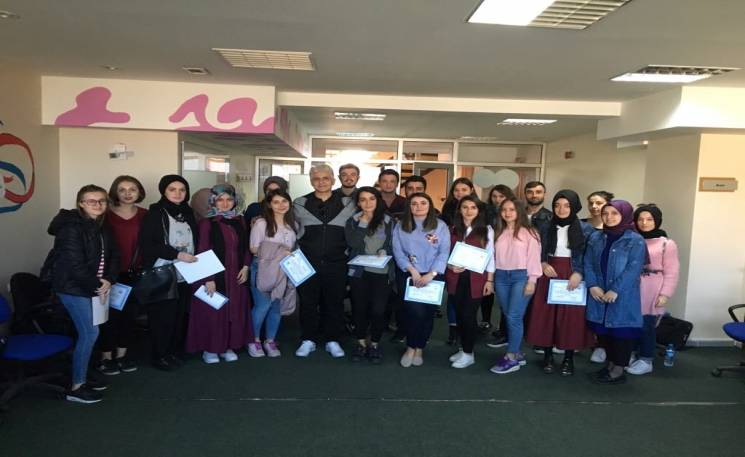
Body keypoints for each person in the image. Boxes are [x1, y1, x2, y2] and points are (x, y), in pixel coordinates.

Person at [48, 184, 119, 403]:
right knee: (90, 333)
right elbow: (75, 266)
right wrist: (98, 286)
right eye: (91, 201)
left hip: (93, 286)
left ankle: (83, 376)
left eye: (102, 201)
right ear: (81, 204)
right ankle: (77, 387)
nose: (97, 204)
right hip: (73, 288)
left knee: (91, 332)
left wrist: (109, 279)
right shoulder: (71, 228)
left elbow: (114, 256)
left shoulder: (102, 226)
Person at [525, 190, 594, 376]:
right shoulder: (545, 226)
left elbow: (590, 256)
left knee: (571, 318)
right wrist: (542, 263)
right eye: (557, 205)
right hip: (549, 273)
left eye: (566, 205)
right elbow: (536, 250)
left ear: (574, 207)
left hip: (573, 275)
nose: (561, 209)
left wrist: (579, 273)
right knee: (547, 316)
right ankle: (547, 356)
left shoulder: (586, 229)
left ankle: (568, 358)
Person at [293, 164, 357, 358]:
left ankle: (332, 340)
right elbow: (287, 226)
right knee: (308, 302)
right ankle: (308, 339)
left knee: (334, 303)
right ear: (311, 181)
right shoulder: (300, 203)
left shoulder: (349, 203)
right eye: (316, 178)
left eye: (325, 178)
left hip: (337, 262)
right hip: (306, 262)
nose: (321, 182)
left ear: (333, 180)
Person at [186, 184, 253, 364]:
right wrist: (208, 279)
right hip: (215, 275)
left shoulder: (240, 221)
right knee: (214, 312)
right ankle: (210, 349)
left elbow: (246, 247)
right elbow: (203, 250)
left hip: (236, 274)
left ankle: (227, 346)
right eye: (220, 200)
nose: (225, 203)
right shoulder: (207, 223)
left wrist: (246, 266)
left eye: (229, 199)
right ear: (213, 202)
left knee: (234, 311)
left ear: (235, 201)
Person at [139, 175, 198, 371]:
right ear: (163, 191)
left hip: (185, 273)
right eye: (172, 189)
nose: (178, 193)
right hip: (163, 273)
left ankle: (172, 352)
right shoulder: (155, 213)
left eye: (182, 190)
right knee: (161, 318)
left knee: (178, 316)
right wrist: (177, 254)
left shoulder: (188, 213)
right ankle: (159, 356)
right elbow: (148, 244)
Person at [584, 200, 646, 384]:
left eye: (614, 213)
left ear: (624, 215)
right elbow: (588, 263)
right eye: (605, 213)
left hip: (622, 295)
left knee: (621, 334)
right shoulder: (596, 237)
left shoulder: (635, 240)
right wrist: (592, 285)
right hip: (599, 292)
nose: (609, 217)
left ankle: (618, 371)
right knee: (605, 333)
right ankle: (610, 365)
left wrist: (615, 289)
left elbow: (633, 268)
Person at [392, 193, 450, 367]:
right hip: (409, 274)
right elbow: (398, 251)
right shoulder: (401, 225)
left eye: (423, 203)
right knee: (413, 312)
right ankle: (411, 346)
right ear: (409, 207)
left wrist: (431, 274)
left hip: (433, 275)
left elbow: (444, 252)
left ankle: (420, 347)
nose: (419, 206)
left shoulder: (440, 226)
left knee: (427, 313)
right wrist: (412, 271)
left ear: (430, 205)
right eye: (414, 203)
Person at [96, 176, 147, 376]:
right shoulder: (104, 215)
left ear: (139, 192)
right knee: (107, 317)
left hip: (134, 274)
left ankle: (122, 355)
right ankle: (106, 357)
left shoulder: (145, 215)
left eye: (132, 189)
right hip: (108, 275)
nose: (127, 193)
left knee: (129, 317)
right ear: (114, 193)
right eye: (122, 189)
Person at [489, 197, 542, 375]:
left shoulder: (530, 233)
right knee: (509, 315)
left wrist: (532, 281)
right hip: (501, 276)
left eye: (512, 209)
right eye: (504, 209)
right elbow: (491, 256)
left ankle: (511, 357)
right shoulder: (497, 231)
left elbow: (534, 259)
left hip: (521, 277)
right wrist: (491, 279)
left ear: (519, 211)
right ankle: (517, 352)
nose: (507, 213)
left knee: (513, 316)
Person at [627, 204, 680, 375]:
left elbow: (672, 271)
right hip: (632, 286)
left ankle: (646, 359)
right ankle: (631, 353)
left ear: (657, 220)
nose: (644, 223)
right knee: (630, 323)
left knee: (647, 325)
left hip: (652, 287)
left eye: (649, 219)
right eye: (640, 219)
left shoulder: (666, 244)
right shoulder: (632, 239)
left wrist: (665, 294)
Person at [345, 186, 394, 364]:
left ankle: (374, 343)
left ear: (378, 200)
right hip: (359, 273)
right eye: (363, 199)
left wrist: (385, 250)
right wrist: (363, 223)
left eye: (372, 199)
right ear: (358, 203)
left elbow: (393, 244)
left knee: (378, 311)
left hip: (382, 272)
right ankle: (360, 343)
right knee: (359, 309)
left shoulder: (388, 220)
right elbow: (353, 243)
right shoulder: (353, 220)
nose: (367, 203)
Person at [445, 195, 495, 369]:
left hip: (476, 279)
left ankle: (468, 353)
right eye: (465, 207)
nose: (468, 211)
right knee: (459, 315)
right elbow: (444, 252)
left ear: (479, 210)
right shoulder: (452, 229)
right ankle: (463, 348)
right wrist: (449, 265)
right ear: (459, 209)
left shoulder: (487, 230)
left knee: (468, 315)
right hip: (455, 277)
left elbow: (491, 256)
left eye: (473, 207)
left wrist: (490, 280)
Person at [248, 189, 299, 358]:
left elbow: (293, 248)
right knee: (262, 306)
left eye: (284, 201)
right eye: (276, 202)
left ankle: (270, 340)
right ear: (269, 205)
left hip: (283, 270)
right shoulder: (261, 223)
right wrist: (279, 251)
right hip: (263, 269)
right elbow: (254, 248)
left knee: (277, 306)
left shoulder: (293, 225)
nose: (281, 205)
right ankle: (254, 340)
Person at [440, 177, 477, 344]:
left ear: (471, 191)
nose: (460, 193)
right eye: (456, 190)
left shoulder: (480, 210)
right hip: (452, 263)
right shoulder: (447, 210)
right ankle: (453, 329)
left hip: (474, 265)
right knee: (453, 297)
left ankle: (467, 333)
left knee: (469, 302)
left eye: (464, 189)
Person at [583, 191, 615, 364]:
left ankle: (603, 346)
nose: (594, 206)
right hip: (584, 274)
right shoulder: (581, 224)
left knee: (605, 312)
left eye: (599, 203)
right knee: (584, 311)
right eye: (591, 203)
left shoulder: (616, 226)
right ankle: (583, 341)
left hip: (607, 278)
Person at [483, 184, 516, 341]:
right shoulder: (486, 213)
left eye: (501, 196)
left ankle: (505, 331)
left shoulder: (513, 215)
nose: (497, 199)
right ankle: (487, 322)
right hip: (489, 259)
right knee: (489, 293)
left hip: (507, 262)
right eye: (494, 196)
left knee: (507, 301)